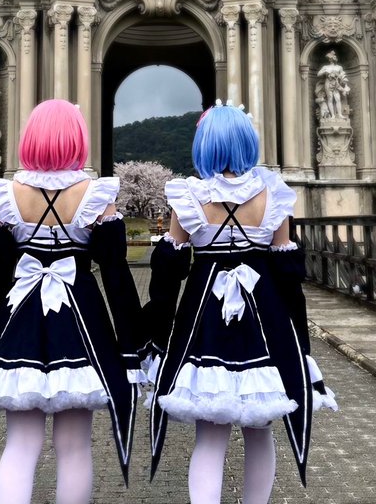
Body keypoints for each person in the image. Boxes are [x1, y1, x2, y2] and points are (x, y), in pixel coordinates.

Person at [142, 103, 337, 503]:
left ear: (205, 145)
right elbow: (289, 278)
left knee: (210, 436)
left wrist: (155, 335)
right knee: (260, 430)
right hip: (264, 321)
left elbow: (167, 275)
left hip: (203, 322)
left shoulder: (190, 196)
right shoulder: (272, 195)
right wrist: (299, 344)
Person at [0, 98, 142, 502]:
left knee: (20, 444)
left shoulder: (8, 195)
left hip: (19, 321)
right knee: (74, 446)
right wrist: (131, 345)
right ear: (76, 139)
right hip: (80, 322)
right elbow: (116, 275)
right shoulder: (95, 194)